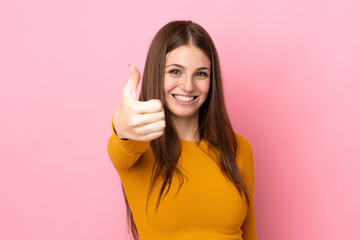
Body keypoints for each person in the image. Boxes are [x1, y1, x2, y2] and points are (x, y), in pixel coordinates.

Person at [107, 20, 257, 240]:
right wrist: (122, 126)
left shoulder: (238, 148)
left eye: (201, 74)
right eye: (175, 71)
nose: (188, 86)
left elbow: (250, 234)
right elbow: (121, 142)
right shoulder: (136, 149)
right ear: (156, 73)